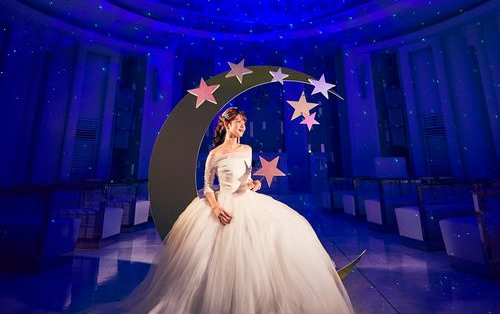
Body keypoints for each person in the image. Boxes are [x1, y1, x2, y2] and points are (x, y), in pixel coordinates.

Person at [88, 107, 354, 313]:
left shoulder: (247, 149)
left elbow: (246, 178)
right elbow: (206, 187)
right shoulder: (214, 154)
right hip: (222, 203)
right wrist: (215, 208)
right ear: (227, 124)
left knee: (268, 246)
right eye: (238, 122)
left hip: (248, 201)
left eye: (244, 123)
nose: (242, 126)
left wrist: (254, 183)